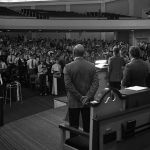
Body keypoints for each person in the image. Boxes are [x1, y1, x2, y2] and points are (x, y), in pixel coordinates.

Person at [63, 44, 99, 133]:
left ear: (73, 53)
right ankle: (87, 144)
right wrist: (87, 97)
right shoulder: (91, 66)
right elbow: (96, 83)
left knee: (73, 127)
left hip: (74, 101)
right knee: (88, 127)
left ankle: (74, 145)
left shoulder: (68, 67)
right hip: (87, 101)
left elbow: (68, 85)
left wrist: (80, 97)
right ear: (84, 53)